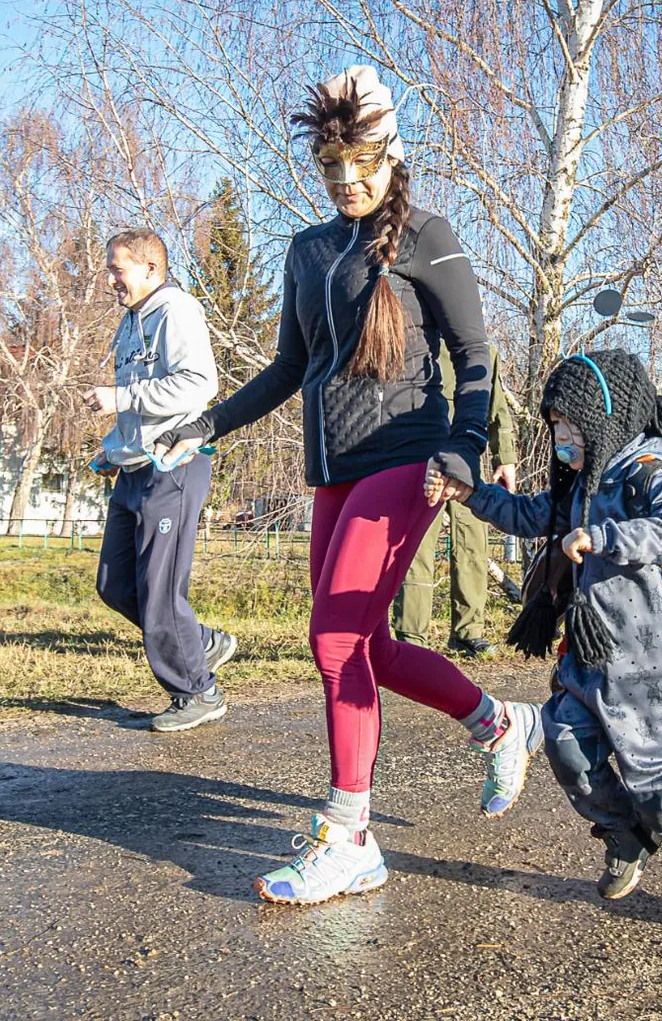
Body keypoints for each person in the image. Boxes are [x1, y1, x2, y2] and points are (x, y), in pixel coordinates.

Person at [153, 66, 542, 905]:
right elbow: (294, 367)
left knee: (333, 642)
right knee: (364, 645)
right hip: (331, 472)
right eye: (330, 166)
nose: (345, 180)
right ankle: (498, 721)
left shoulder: (428, 235)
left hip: (409, 460)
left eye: (360, 161)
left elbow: (476, 355)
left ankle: (349, 835)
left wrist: (466, 446)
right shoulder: (307, 249)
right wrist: (206, 424)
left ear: (390, 156)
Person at [426, 348, 662, 927]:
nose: (561, 440)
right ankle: (624, 838)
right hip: (590, 655)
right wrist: (469, 493)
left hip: (652, 666)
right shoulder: (579, 483)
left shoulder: (649, 473)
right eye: (555, 429)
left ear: (604, 417)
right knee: (566, 746)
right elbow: (529, 515)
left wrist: (605, 537)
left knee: (653, 782)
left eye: (569, 426)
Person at [84, 229, 237, 733]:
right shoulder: (130, 323)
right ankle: (203, 643)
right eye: (110, 268)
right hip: (134, 469)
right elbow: (141, 403)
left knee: (159, 591)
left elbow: (198, 383)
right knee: (115, 585)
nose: (110, 279)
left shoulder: (176, 311)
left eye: (117, 269)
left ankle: (197, 691)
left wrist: (121, 399)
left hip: (174, 465)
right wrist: (114, 449)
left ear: (151, 270)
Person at [392, 344, 518, 657]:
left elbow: (497, 407)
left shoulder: (483, 350)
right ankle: (411, 637)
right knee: (416, 550)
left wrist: (506, 458)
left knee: (473, 545)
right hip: (420, 463)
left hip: (467, 464)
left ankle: (468, 633)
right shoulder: (414, 342)